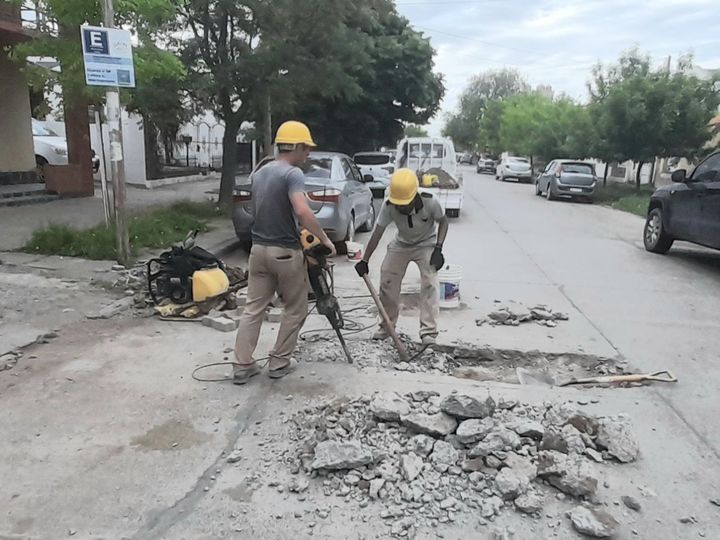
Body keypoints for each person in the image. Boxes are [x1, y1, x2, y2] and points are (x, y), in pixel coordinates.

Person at [232, 121, 335, 384]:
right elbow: (301, 210)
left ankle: (242, 365)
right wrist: (324, 239)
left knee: (253, 309)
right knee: (295, 308)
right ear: (298, 146)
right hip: (286, 253)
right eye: (307, 148)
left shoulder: (259, 174)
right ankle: (279, 361)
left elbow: (258, 211)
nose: (308, 154)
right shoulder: (292, 175)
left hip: (258, 250)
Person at [355, 168, 448, 346]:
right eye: (399, 203)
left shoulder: (430, 201)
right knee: (387, 280)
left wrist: (438, 248)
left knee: (430, 283)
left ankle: (428, 332)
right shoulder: (390, 204)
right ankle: (386, 327)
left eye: (404, 202)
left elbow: (443, 222)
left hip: (426, 243)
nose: (401, 206)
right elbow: (377, 233)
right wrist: (365, 259)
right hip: (401, 243)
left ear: (414, 196)